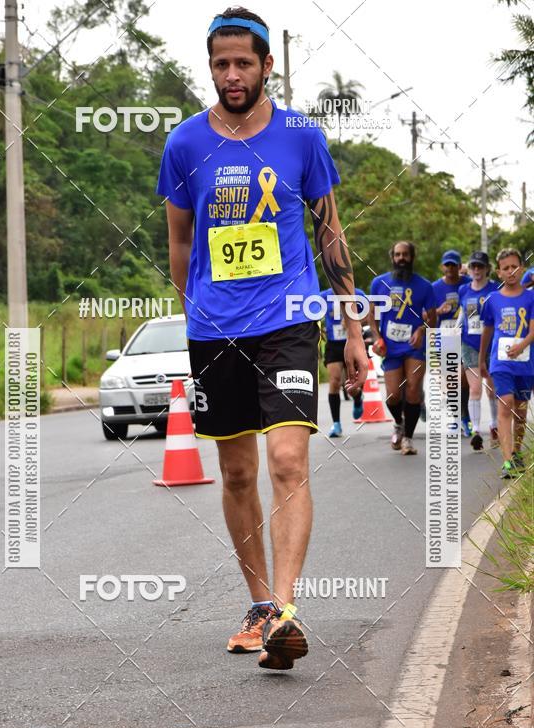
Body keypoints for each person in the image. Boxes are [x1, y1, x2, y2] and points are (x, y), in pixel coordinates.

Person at [156, 7, 368, 670]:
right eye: (220, 63)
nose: (232, 74)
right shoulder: (185, 145)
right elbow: (181, 242)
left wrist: (352, 326)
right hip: (215, 327)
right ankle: (258, 601)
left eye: (243, 62)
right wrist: (193, 316)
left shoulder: (302, 137)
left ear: (267, 65)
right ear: (210, 66)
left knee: (286, 462)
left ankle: (285, 609)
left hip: (290, 319)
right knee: (239, 469)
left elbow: (330, 232)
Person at [369, 241, 437, 455]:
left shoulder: (424, 286)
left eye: (405, 255)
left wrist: (421, 330)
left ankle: (407, 438)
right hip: (390, 347)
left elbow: (433, 317)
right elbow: (371, 315)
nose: (401, 258)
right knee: (393, 396)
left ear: (412, 257)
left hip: (414, 346)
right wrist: (377, 337)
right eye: (397, 254)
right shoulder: (379, 283)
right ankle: (398, 422)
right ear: (392, 257)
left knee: (413, 391)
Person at [479, 248, 534, 478]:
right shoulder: (492, 300)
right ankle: (508, 460)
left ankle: (517, 450)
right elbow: (488, 329)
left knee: (520, 412)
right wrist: (481, 359)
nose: (510, 271)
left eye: (514, 266)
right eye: (505, 268)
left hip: (525, 361)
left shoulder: (531, 297)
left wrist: (521, 346)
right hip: (500, 362)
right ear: (499, 272)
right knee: (506, 403)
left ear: (521, 268)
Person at [458, 251, 498, 450]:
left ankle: (495, 425)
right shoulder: (463, 290)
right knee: (474, 388)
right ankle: (475, 431)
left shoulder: (495, 290)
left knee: (492, 389)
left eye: (480, 266)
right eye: (473, 266)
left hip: (491, 344)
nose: (476, 270)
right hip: (469, 343)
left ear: (487, 269)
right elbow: (461, 316)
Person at [432, 250, 472, 436]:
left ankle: (465, 418)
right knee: (450, 382)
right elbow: (425, 315)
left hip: (465, 337)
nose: (450, 268)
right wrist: (439, 311)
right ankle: (457, 418)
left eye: (453, 265)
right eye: (447, 265)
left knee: (464, 381)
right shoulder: (434, 288)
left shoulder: (467, 284)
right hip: (444, 338)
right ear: (442, 267)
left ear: (459, 267)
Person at [321, 286, 365, 436]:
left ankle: (358, 398)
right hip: (334, 345)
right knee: (334, 381)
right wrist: (318, 328)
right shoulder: (323, 296)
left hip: (352, 343)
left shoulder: (357, 294)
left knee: (351, 386)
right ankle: (336, 424)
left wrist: (354, 321)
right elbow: (309, 313)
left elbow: (370, 313)